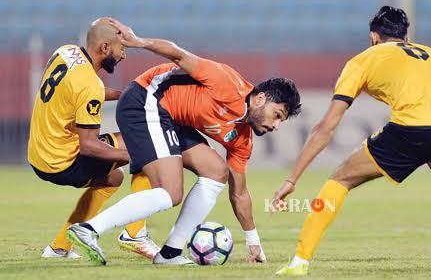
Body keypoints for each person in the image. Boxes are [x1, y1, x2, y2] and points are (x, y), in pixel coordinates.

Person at [272, 6, 431, 276]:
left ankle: (299, 262)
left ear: (373, 37)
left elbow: (326, 127)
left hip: (413, 128)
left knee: (340, 179)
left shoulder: (364, 59)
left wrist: (292, 179)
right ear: (405, 37)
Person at [67, 19, 302, 266]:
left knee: (216, 171)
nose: (275, 125)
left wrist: (253, 240)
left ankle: (170, 253)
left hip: (172, 121)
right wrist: (138, 42)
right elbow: (177, 54)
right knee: (171, 191)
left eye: (281, 122)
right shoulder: (226, 82)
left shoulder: (243, 139)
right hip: (146, 98)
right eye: (277, 115)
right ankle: (90, 229)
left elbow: (239, 193)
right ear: (260, 99)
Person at [28, 18, 159, 260]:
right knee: (145, 145)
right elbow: (88, 145)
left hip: (39, 151)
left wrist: (124, 96)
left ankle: (59, 248)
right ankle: (135, 235)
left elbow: (78, 92)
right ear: (105, 48)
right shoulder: (89, 86)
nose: (124, 56)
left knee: (112, 178)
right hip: (62, 161)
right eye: (122, 49)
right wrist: (133, 156)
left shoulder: (66, 52)